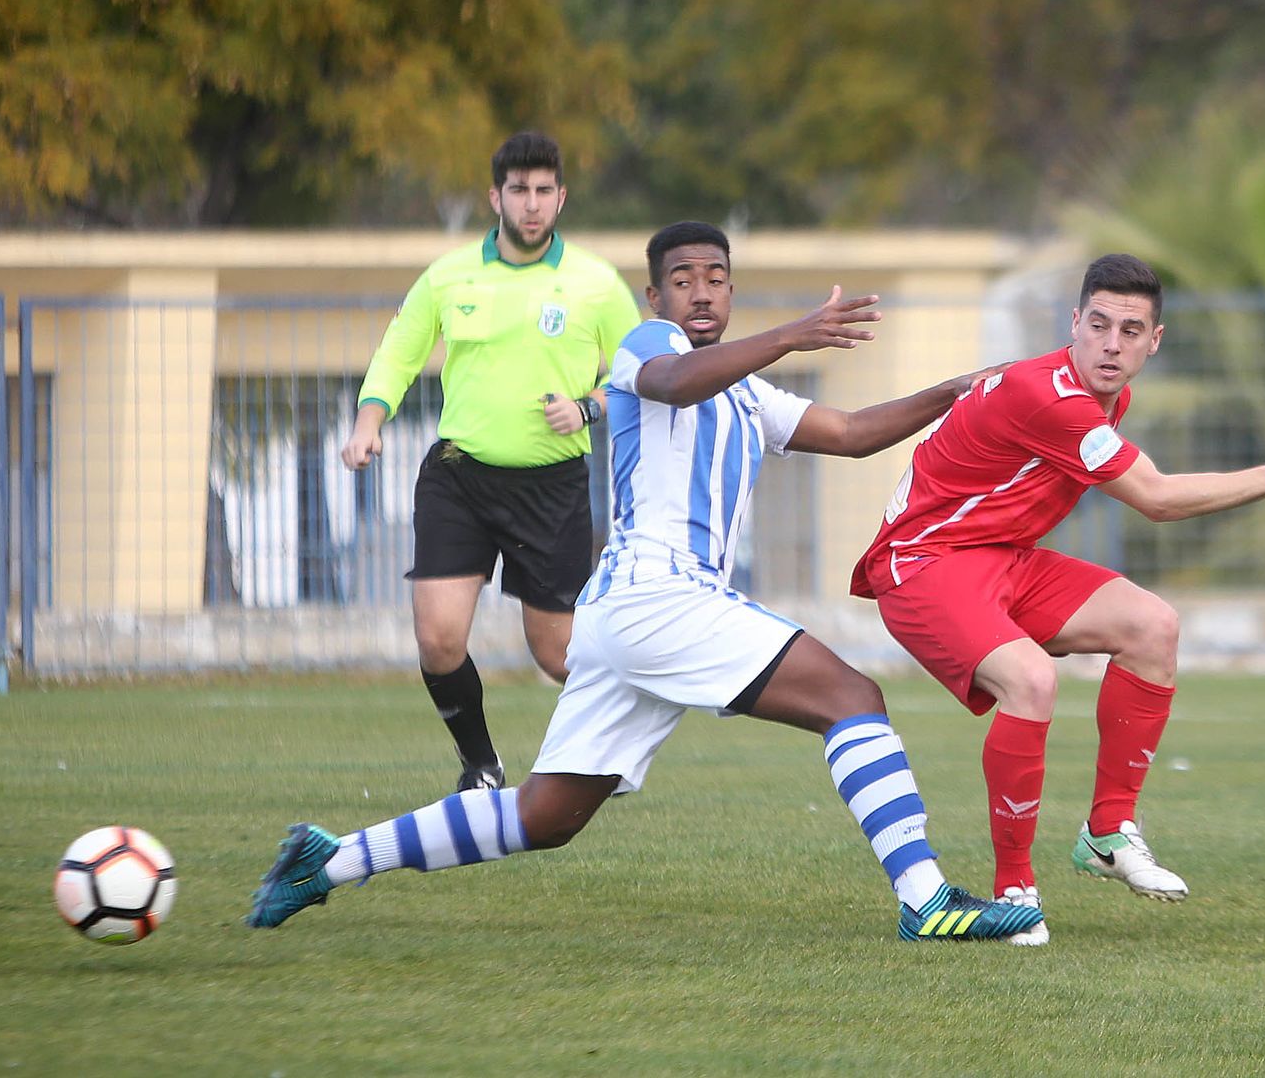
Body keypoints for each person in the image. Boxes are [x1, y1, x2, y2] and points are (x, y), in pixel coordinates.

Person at [247, 221, 1044, 943]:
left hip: (630, 614)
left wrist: (954, 392)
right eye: (685, 277)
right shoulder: (643, 346)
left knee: (545, 816)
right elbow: (670, 383)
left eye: (717, 276)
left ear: (732, 290)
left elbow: (852, 432)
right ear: (655, 294)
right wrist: (794, 334)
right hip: (661, 596)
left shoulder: (746, 391)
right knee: (853, 699)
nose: (702, 291)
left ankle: (331, 860)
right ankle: (926, 897)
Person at [852, 253, 1265, 946]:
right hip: (925, 565)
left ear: (1154, 341)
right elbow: (1154, 499)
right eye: (1098, 325)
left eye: (1130, 330)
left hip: (1000, 561)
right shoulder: (1053, 397)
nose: (1111, 343)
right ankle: (1014, 893)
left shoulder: (1105, 396)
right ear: (1074, 324)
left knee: (1152, 626)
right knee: (1032, 679)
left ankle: (1107, 832)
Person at [341, 131, 641, 793]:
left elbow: (640, 377)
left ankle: (615, 747)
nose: (531, 204)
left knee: (558, 654)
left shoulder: (595, 283)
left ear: (560, 198)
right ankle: (481, 765)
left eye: (542, 191)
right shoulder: (450, 276)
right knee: (439, 640)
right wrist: (369, 421)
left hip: (554, 485)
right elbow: (398, 351)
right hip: (460, 477)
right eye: (518, 191)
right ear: (495, 197)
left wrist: (587, 408)